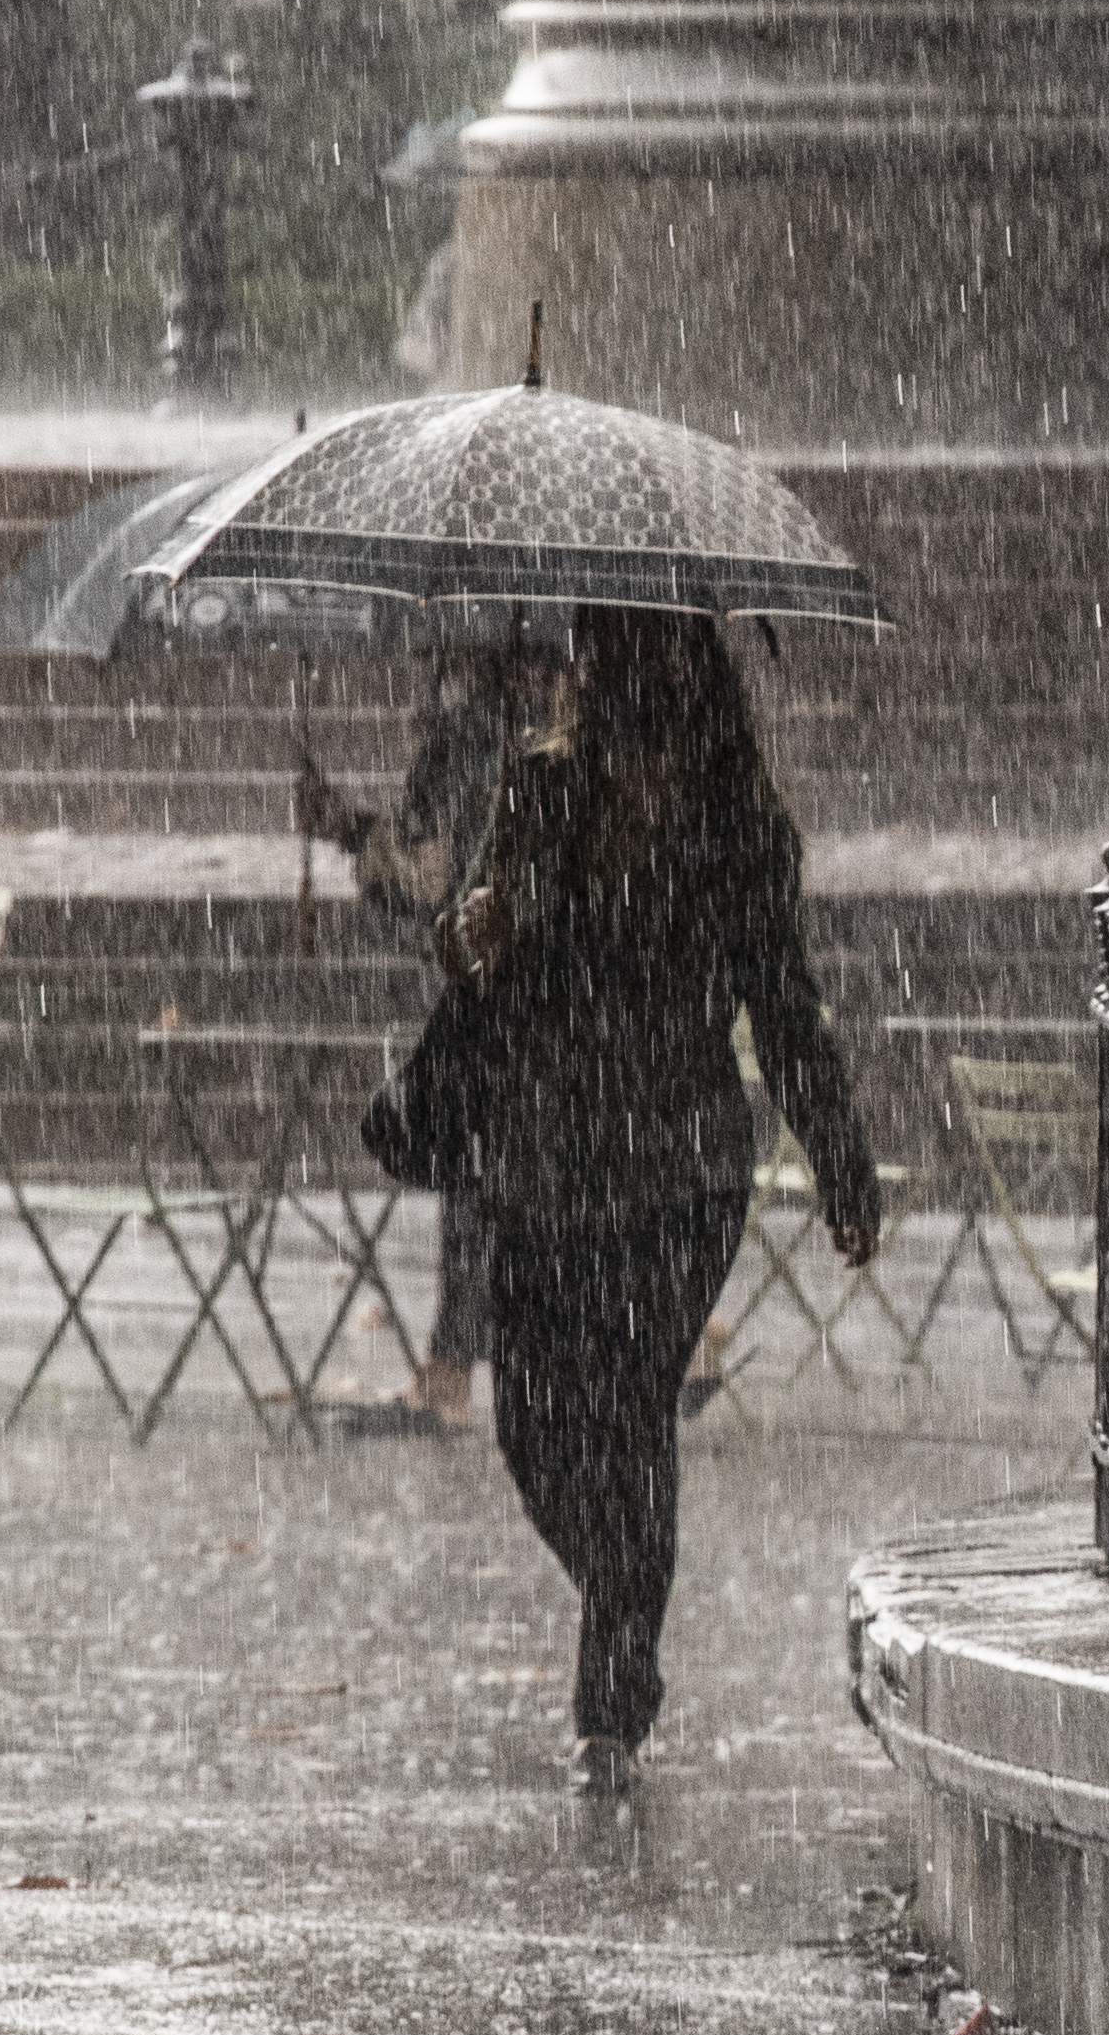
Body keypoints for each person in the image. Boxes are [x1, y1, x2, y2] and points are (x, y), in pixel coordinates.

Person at [430, 607, 881, 1791]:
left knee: (628, 1416)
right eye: (602, 643)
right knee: (532, 1422)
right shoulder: (538, 791)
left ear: (688, 663)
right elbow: (479, 947)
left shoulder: (738, 823)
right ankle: (625, 1601)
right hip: (544, 1154)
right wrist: (472, 933)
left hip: (676, 1165)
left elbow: (782, 1005)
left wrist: (838, 1153)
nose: (611, 662)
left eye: (637, 643)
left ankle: (611, 1701)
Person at [299, 641, 557, 1429]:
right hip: (569, 989)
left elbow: (426, 882)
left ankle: (450, 1377)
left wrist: (346, 830)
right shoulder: (565, 736)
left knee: (480, 1187)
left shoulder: (470, 740)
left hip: (501, 992)